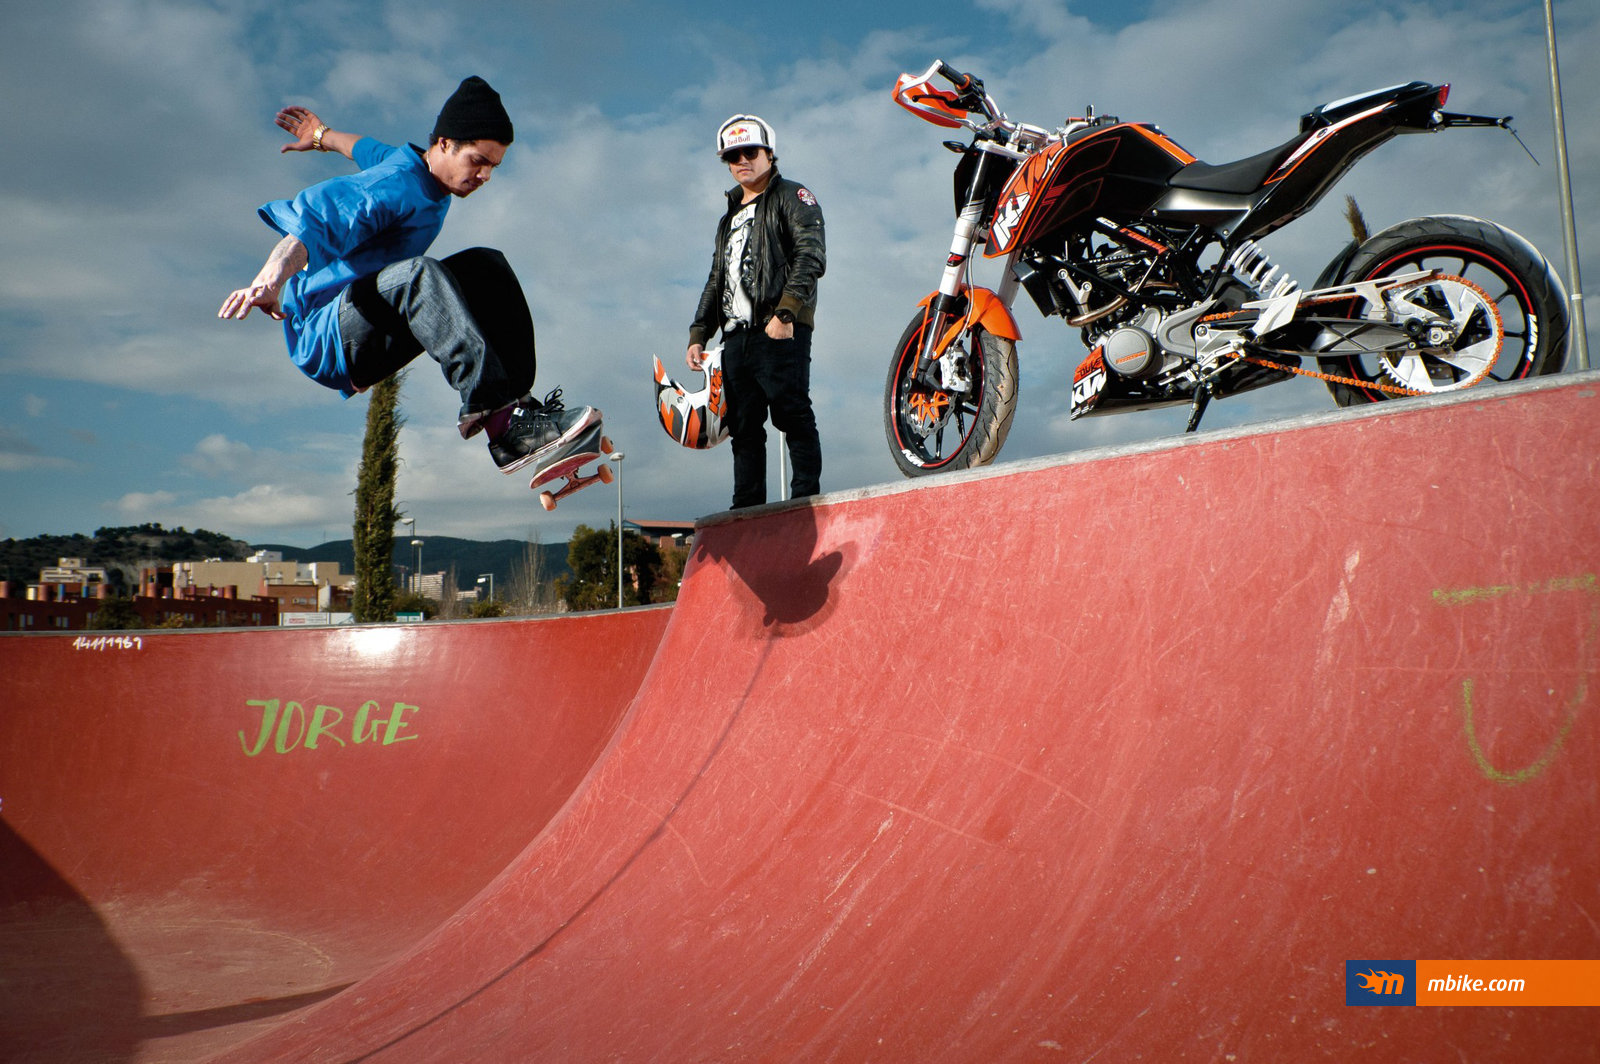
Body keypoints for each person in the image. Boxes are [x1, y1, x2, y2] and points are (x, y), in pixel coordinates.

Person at [220, 76, 597, 476]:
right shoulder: (392, 185)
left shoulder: (409, 163)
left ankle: (519, 417)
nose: (485, 176)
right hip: (327, 336)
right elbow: (316, 223)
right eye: (478, 161)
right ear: (445, 143)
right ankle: (494, 414)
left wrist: (322, 135)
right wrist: (270, 281)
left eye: (494, 166)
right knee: (418, 275)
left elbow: (362, 148)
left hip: (372, 322)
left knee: (488, 266)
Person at [687, 114, 825, 509]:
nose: (741, 161)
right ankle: (746, 508)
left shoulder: (793, 197)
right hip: (735, 337)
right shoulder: (728, 217)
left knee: (792, 413)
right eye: (732, 156)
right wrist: (700, 333)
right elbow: (718, 278)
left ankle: (804, 501)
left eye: (750, 152)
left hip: (778, 328)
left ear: (769, 153)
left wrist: (786, 314)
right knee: (744, 427)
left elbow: (810, 256)